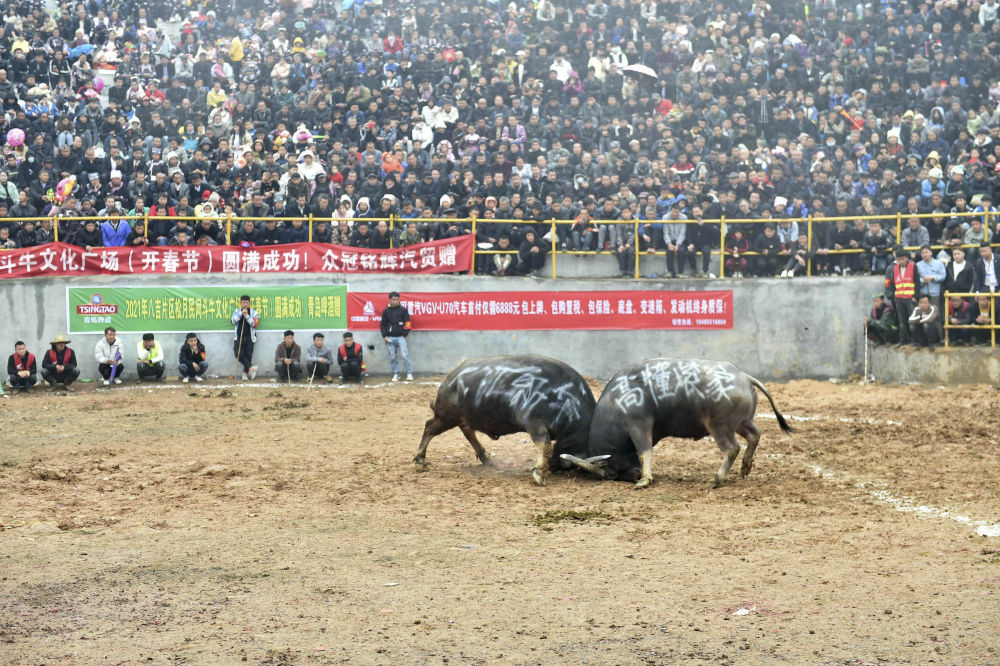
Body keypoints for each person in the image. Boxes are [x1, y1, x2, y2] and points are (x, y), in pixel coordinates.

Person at [885, 248, 918, 347]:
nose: (901, 261)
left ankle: (915, 340)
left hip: (910, 298)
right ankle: (903, 339)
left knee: (912, 320)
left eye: (903, 259)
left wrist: (915, 296)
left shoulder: (913, 266)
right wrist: (893, 295)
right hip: (899, 298)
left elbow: (917, 282)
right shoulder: (894, 268)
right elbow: (891, 283)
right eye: (899, 259)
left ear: (907, 258)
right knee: (901, 321)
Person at [380, 291, 413, 382]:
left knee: (405, 356)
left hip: (401, 337)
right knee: (393, 357)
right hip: (390, 338)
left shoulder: (403, 310)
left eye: (397, 299)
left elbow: (408, 323)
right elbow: (382, 324)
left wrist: (404, 334)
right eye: (394, 299)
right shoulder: (386, 311)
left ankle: (409, 373)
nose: (396, 301)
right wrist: (385, 336)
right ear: (390, 300)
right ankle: (396, 374)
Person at [231, 295, 259, 380]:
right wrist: (241, 314)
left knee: (248, 355)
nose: (245, 304)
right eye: (243, 302)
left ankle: (244, 374)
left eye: (247, 302)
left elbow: (254, 324)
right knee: (238, 353)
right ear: (240, 303)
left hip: (249, 337)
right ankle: (251, 367)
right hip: (239, 337)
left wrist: (247, 316)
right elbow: (233, 321)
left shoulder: (254, 312)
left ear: (249, 303)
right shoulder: (237, 311)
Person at [915, 245, 946, 310]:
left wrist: (933, 277)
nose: (924, 254)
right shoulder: (918, 265)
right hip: (923, 293)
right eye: (922, 253)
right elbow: (916, 279)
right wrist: (923, 280)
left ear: (931, 253)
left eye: (926, 252)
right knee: (924, 311)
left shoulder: (939, 263)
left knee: (935, 311)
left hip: (935, 293)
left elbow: (943, 276)